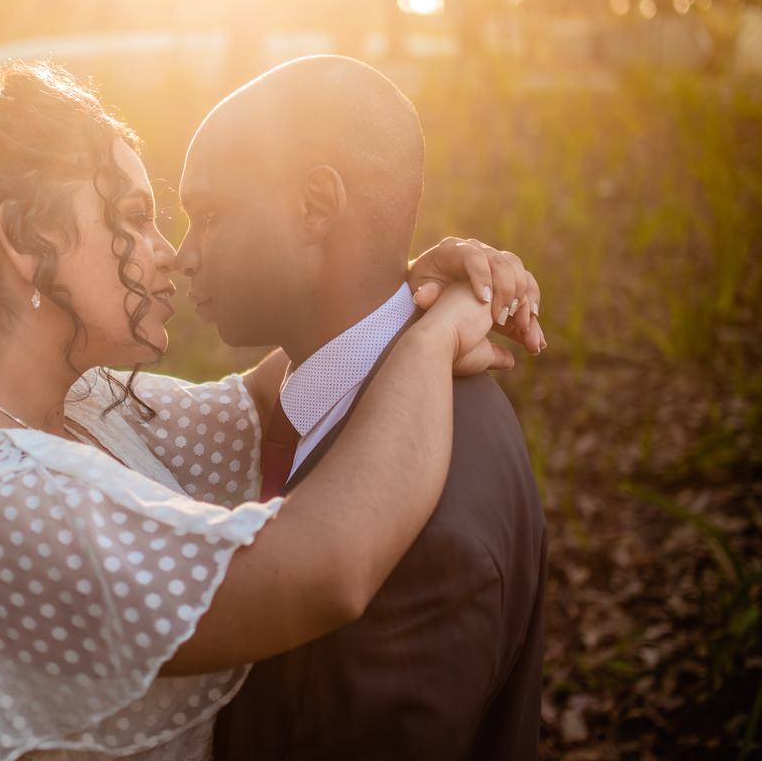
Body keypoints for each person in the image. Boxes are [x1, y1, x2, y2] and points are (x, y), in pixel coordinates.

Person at [0, 50, 540, 761]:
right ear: (23, 239)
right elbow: (327, 566)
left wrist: (400, 284)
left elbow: (276, 396)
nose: (167, 254)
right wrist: (432, 338)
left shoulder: (76, 407)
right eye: (132, 219)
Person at [170, 55, 547, 761]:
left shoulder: (421, 538)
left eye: (211, 214)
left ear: (316, 207)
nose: (182, 256)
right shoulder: (352, 387)